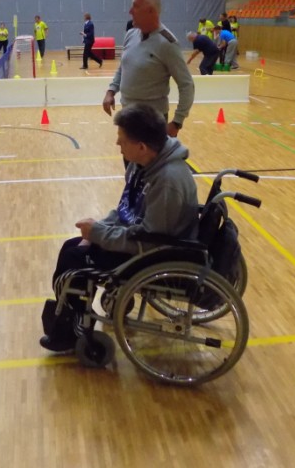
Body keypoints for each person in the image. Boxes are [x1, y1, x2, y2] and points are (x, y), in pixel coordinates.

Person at [39, 104, 199, 352]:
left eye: (122, 140)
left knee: (73, 259)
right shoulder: (142, 165)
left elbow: (150, 242)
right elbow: (125, 210)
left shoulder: (167, 182)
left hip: (157, 254)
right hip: (142, 239)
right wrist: (99, 228)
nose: (117, 144)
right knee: (72, 247)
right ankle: (74, 316)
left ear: (141, 146)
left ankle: (74, 330)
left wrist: (98, 234)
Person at [102, 0, 195, 138]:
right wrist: (111, 91)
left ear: (150, 11)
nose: (130, 11)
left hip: (152, 123)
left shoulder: (167, 43)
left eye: (135, 6)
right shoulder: (130, 34)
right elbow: (123, 67)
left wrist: (177, 122)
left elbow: (187, 85)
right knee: (126, 154)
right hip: (127, 117)